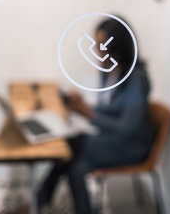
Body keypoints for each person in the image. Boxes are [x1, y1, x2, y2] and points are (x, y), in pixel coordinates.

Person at [37, 17, 155, 214]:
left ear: (117, 46)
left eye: (102, 45)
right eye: (96, 44)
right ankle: (41, 201)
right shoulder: (109, 73)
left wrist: (88, 113)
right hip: (112, 141)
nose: (97, 51)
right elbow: (110, 109)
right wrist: (81, 106)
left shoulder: (135, 79)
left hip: (130, 146)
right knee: (72, 156)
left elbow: (127, 128)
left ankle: (40, 200)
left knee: (71, 151)